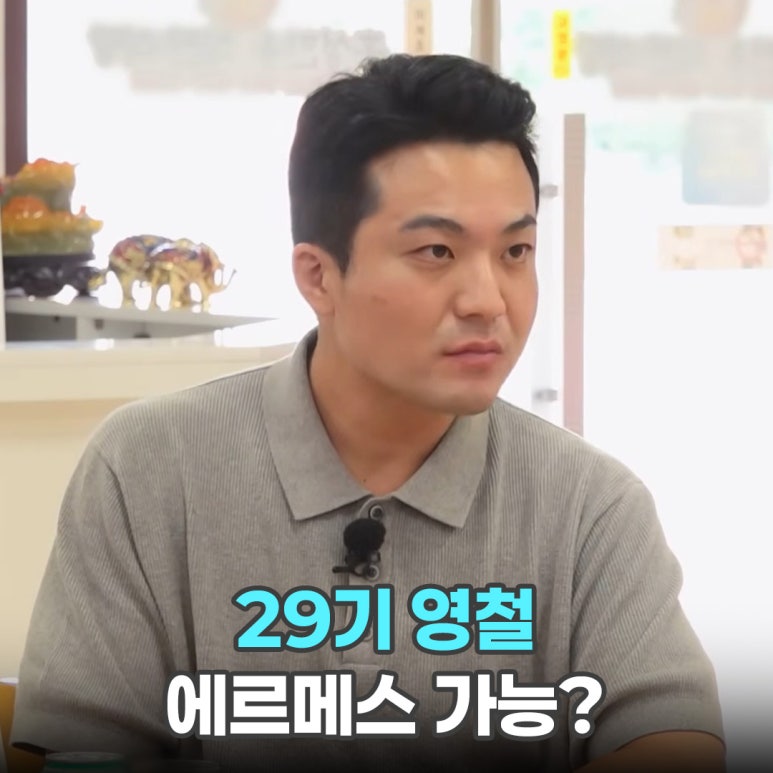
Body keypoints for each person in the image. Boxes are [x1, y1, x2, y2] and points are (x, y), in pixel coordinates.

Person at [12, 54, 724, 772]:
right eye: (436, 250)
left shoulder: (590, 504)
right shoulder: (149, 466)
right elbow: (74, 750)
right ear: (318, 276)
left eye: (516, 250)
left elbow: (673, 742)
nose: (488, 300)